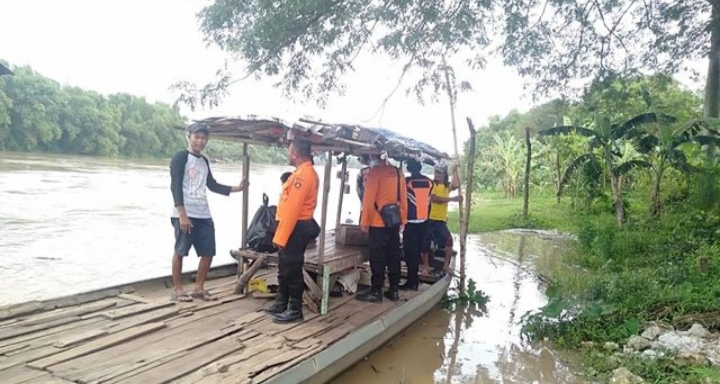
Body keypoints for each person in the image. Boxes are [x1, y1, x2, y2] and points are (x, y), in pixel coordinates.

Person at [169, 124, 247, 302]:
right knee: (180, 250)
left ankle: (199, 287)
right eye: (197, 137)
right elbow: (175, 187)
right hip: (184, 212)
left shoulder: (204, 161)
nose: (200, 141)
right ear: (188, 137)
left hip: (203, 213)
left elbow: (212, 185)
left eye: (203, 138)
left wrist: (238, 188)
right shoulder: (180, 157)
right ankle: (177, 288)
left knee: (208, 251)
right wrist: (182, 214)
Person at [264, 139, 320, 323]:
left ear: (295, 153)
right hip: (292, 226)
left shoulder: (303, 175)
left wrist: (280, 236)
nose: (288, 154)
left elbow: (293, 209)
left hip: (296, 227)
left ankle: (295, 309)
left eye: (289, 151)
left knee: (292, 267)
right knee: (284, 265)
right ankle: (282, 301)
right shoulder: (301, 172)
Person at [356, 154, 408, 303]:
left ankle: (376, 291)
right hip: (394, 222)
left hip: (377, 223)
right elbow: (403, 198)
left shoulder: (375, 173)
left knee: (377, 257)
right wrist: (403, 220)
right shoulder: (399, 173)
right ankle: (394, 289)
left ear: (373, 157)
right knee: (394, 255)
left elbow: (368, 200)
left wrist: (364, 222)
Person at [422, 163, 462, 276]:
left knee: (449, 241)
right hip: (431, 218)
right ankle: (425, 266)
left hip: (440, 220)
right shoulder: (432, 185)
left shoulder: (446, 186)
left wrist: (455, 171)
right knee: (426, 242)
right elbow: (435, 199)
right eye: (436, 173)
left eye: (440, 173)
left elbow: (457, 184)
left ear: (444, 174)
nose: (437, 175)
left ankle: (445, 266)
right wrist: (453, 199)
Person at [400, 158, 433, 291]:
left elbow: (401, 199)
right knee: (418, 251)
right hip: (425, 221)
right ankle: (415, 279)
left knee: (410, 254)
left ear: (409, 168)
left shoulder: (407, 182)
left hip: (411, 222)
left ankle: (412, 281)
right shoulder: (429, 182)